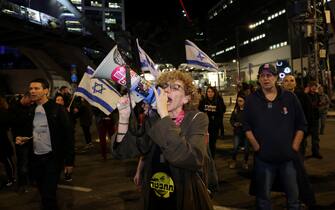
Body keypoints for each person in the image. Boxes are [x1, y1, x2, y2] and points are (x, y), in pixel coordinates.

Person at [112, 71, 213, 210]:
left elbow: (192, 158)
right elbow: (124, 152)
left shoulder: (197, 119)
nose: (167, 90)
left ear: (186, 98)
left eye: (175, 87)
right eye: (165, 86)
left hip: (183, 195)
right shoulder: (154, 119)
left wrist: (164, 114)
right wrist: (124, 117)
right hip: (155, 195)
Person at [244, 63, 308, 209]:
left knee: (293, 198)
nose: (266, 79)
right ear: (258, 79)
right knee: (263, 199)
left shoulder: (290, 97)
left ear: (276, 77)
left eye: (269, 75)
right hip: (263, 159)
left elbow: (302, 124)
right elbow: (246, 127)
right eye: (262, 76)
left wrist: (294, 147)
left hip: (288, 159)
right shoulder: (252, 100)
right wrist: (256, 146)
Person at [16, 78, 75, 210]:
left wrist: (69, 161)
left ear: (46, 91)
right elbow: (35, 132)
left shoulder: (58, 109)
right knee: (43, 193)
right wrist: (25, 138)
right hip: (36, 159)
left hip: (52, 159)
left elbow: (68, 137)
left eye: (36, 88)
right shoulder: (31, 109)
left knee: (49, 195)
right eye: (31, 88)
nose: (32, 91)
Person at [10, 92, 33, 192]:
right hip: (20, 140)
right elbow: (13, 124)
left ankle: (31, 180)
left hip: (31, 138)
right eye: (30, 101)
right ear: (25, 97)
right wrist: (17, 138)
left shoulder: (31, 107)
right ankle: (22, 185)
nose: (31, 103)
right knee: (22, 163)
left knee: (32, 161)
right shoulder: (14, 108)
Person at [198, 86, 226, 158]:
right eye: (208, 92)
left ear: (214, 92)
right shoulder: (203, 101)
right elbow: (200, 111)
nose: (210, 93)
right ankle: (206, 157)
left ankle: (212, 158)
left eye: (212, 92)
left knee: (212, 142)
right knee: (205, 143)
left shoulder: (218, 100)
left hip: (214, 125)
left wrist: (214, 111)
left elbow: (222, 110)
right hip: (205, 126)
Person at [229, 94, 249, 170]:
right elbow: (231, 120)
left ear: (245, 101)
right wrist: (234, 123)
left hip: (246, 133)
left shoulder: (248, 111)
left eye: (240, 101)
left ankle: (245, 162)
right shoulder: (236, 110)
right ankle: (233, 160)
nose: (238, 102)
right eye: (238, 101)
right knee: (235, 148)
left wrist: (244, 124)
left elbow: (252, 121)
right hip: (237, 132)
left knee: (246, 149)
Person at [0, 96, 15, 187]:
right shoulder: (5, 112)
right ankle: (11, 177)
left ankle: (11, 178)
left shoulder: (4, 112)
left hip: (2, 139)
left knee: (6, 160)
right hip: (3, 138)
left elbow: (7, 125)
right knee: (6, 160)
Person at [306, 81, 322, 158]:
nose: (314, 87)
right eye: (312, 86)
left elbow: (319, 103)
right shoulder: (306, 95)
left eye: (315, 86)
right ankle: (302, 152)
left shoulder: (317, 95)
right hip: (307, 119)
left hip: (315, 118)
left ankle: (316, 152)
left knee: (315, 137)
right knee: (304, 137)